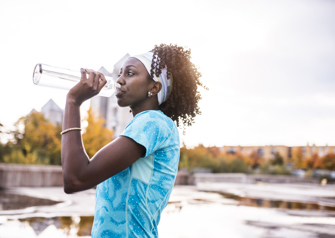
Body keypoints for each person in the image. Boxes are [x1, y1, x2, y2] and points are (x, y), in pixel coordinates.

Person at [61, 44, 206, 237]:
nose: (119, 80)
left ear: (154, 87)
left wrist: (73, 102)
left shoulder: (153, 122)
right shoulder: (146, 126)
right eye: (120, 73)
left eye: (130, 73)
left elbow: (76, 178)